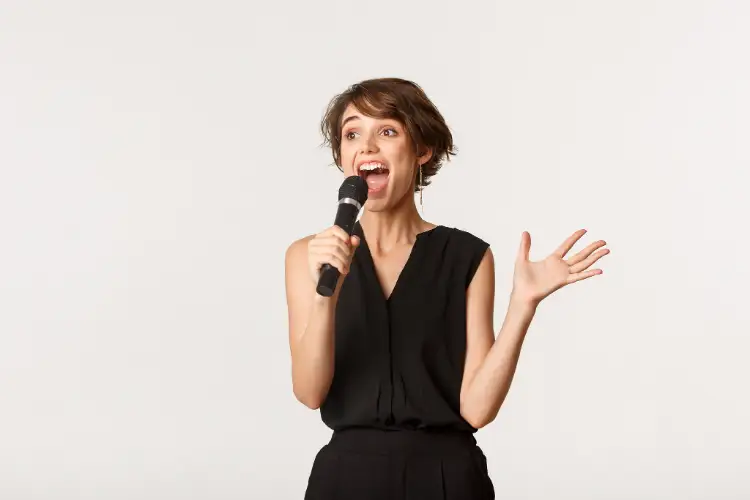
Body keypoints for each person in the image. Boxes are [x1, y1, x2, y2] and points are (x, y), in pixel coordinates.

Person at [284, 78, 609, 499]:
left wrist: (522, 305)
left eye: (387, 131)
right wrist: (325, 294)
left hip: (446, 479)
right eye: (352, 134)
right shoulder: (307, 256)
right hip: (346, 480)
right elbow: (309, 392)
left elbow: (477, 410)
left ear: (422, 149)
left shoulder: (467, 256)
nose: (367, 147)